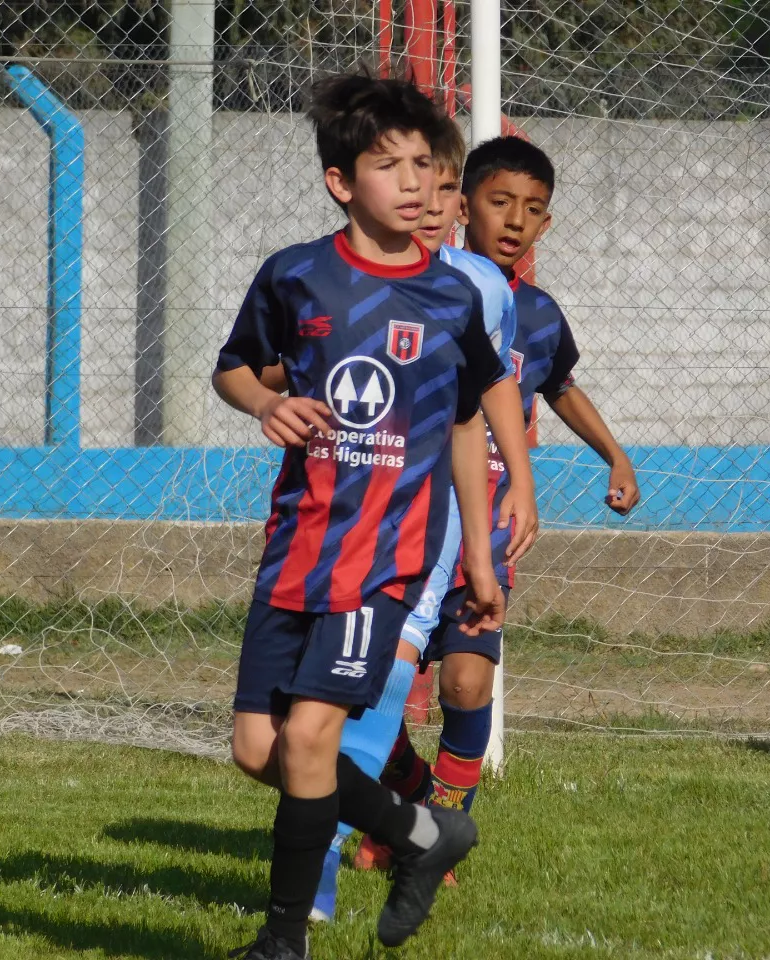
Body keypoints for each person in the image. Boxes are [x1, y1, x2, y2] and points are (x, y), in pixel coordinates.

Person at [212, 73, 509, 959]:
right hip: (296, 550)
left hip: (384, 563)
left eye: (425, 163)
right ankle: (422, 833)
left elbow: (469, 418)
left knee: (310, 736)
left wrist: (484, 555)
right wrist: (262, 407)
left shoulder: (452, 297)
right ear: (342, 183)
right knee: (259, 750)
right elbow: (234, 367)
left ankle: (282, 943)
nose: (416, 182)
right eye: (390, 165)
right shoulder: (296, 276)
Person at [357, 134, 642, 874]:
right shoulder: (419, 293)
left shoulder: (538, 316)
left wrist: (613, 454)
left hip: (487, 526)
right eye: (499, 201)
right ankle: (410, 808)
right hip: (406, 519)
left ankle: (435, 837)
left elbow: (561, 387)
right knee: (368, 686)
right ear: (460, 206)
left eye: (534, 210)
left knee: (465, 681)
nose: (515, 220)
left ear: (547, 225)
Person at [308, 116, 538, 921]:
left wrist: (520, 486)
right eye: (426, 184)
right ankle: (410, 827)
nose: (435, 202)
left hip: (432, 518)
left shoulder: (479, 287)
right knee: (309, 706)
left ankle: (322, 878)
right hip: (350, 513)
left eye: (446, 186)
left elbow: (484, 399)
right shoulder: (338, 275)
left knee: (380, 684)